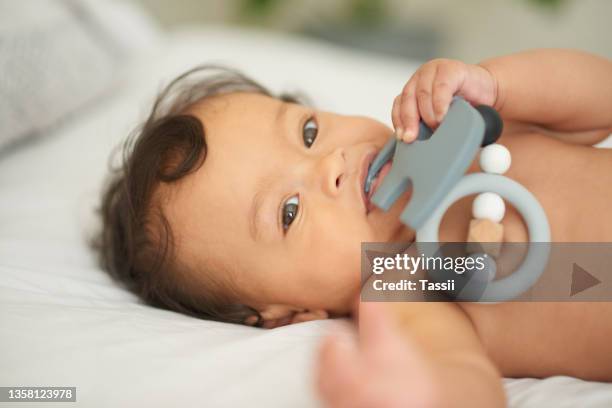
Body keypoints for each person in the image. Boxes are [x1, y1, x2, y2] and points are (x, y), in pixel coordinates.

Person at [94, 49, 612, 406]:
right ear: (288, 314)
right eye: (288, 211)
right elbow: (465, 380)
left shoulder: (470, 131)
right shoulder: (399, 283)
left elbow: (602, 97)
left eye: (309, 131)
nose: (331, 165)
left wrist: (498, 84)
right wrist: (416, 394)